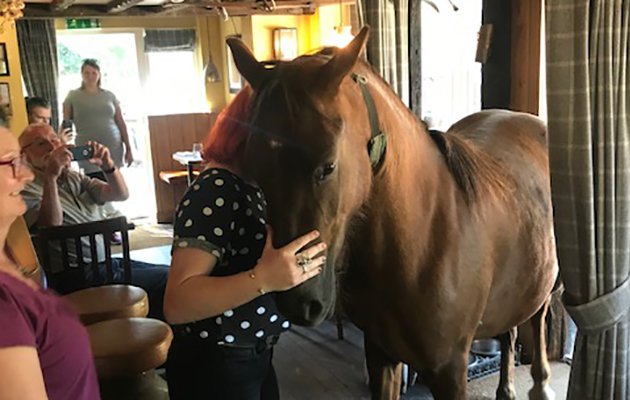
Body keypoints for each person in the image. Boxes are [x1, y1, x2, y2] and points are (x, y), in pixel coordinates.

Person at [164, 86, 327, 400]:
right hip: (217, 363)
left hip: (253, 353)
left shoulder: (254, 184)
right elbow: (177, 303)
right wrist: (264, 279)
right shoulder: (217, 187)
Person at [19, 123, 168, 321]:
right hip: (77, 277)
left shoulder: (74, 177)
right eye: (41, 143)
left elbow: (120, 194)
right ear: (25, 155)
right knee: (165, 280)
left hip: (105, 265)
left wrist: (108, 166)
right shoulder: (25, 188)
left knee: (170, 272)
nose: (51, 146)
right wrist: (51, 177)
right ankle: (153, 342)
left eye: (54, 139)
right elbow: (51, 225)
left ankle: (149, 335)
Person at [0, 119, 100, 399]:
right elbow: (51, 227)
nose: (27, 175)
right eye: (11, 162)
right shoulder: (3, 306)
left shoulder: (10, 259)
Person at [63, 59, 133, 180]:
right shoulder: (73, 96)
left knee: (114, 185)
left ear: (99, 75)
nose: (90, 76)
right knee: (93, 186)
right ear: (81, 74)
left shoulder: (109, 96)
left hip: (113, 147)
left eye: (94, 73)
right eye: (87, 73)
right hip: (87, 148)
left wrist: (129, 148)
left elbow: (121, 122)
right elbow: (66, 124)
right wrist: (63, 146)